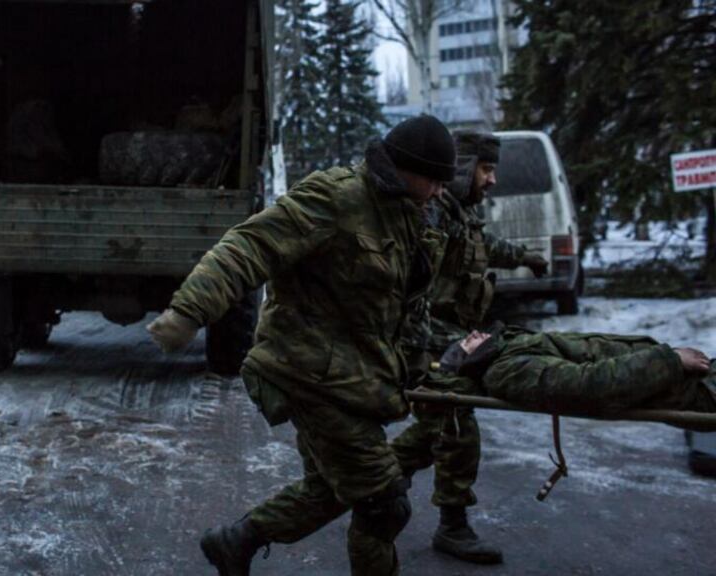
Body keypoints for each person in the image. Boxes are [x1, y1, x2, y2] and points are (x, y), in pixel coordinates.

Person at [148, 115, 456, 576]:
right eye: (431, 179)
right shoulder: (336, 196)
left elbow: (406, 307)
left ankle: (237, 542)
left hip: (356, 380)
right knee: (383, 503)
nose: (437, 191)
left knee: (332, 488)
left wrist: (421, 366)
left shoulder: (410, 218)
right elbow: (250, 245)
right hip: (307, 374)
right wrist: (190, 311)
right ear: (403, 167)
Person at [389, 131, 549, 564]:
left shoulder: (459, 214)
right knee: (457, 420)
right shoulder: (432, 213)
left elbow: (483, 249)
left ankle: (383, 473)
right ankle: (452, 526)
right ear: (463, 169)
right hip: (425, 342)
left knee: (438, 426)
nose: (492, 180)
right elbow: (408, 285)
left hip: (452, 338)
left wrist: (524, 256)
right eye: (486, 168)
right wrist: (426, 350)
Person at [427, 326, 716, 428]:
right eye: (464, 346)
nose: (473, 334)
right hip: (700, 391)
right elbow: (591, 386)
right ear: (468, 364)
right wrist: (671, 360)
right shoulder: (507, 371)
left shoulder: (508, 348)